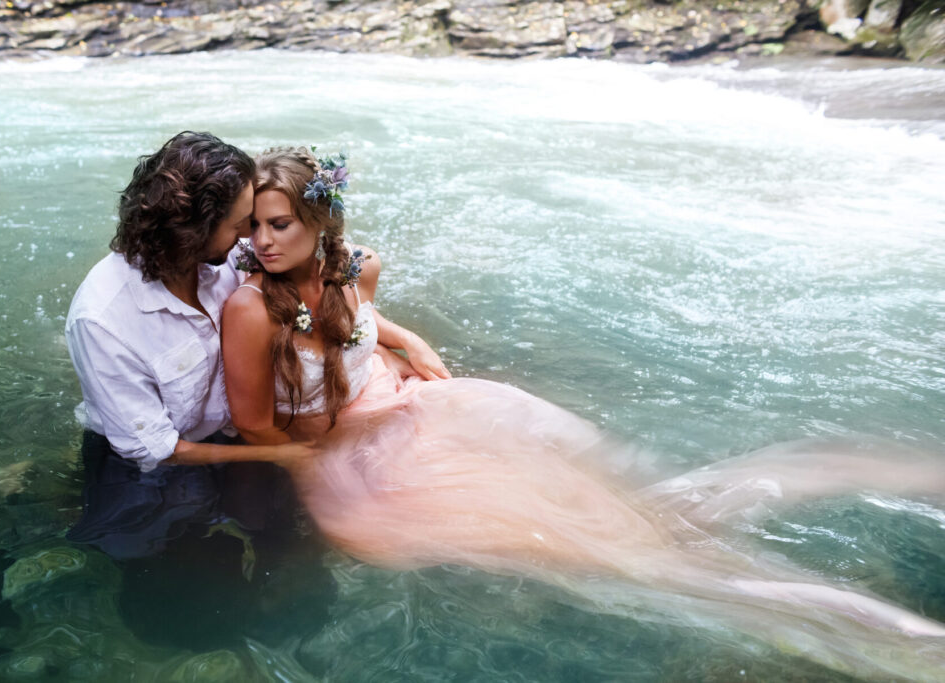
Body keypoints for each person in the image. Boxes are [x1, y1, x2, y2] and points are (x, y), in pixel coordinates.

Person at [222, 146, 945, 681]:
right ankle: (853, 622)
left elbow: (364, 313)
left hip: (416, 414)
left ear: (321, 221)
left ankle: (869, 622)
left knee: (622, 519)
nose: (263, 241)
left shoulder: (359, 267)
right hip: (353, 447)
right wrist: (325, 461)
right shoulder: (251, 309)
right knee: (593, 543)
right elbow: (258, 424)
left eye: (281, 223)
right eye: (256, 226)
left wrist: (406, 340)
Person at [65, 132, 310, 559]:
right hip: (145, 471)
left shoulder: (223, 256)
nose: (248, 236)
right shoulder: (103, 319)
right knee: (174, 563)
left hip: (230, 434)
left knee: (275, 533)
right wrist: (278, 454)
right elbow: (157, 450)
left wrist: (396, 344)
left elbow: (312, 286)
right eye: (240, 224)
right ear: (193, 230)